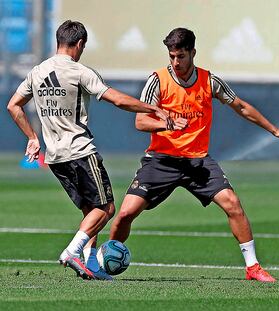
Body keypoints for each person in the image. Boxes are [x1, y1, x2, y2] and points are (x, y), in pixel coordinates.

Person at [109, 27, 279, 282]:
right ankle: (106, 259)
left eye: (181, 56)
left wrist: (275, 130)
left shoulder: (209, 81)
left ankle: (253, 267)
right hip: (162, 160)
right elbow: (140, 122)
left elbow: (240, 106)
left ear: (193, 53)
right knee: (125, 214)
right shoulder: (158, 80)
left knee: (233, 204)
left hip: (198, 161)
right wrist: (168, 124)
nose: (175, 62)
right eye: (172, 56)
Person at [7, 20, 169, 281]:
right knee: (106, 209)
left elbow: (13, 105)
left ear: (58, 41)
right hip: (80, 151)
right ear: (80, 44)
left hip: (55, 157)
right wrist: (152, 108)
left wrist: (32, 137)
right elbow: (116, 99)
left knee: (89, 210)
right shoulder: (80, 71)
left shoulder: (37, 72)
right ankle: (72, 251)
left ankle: (91, 263)